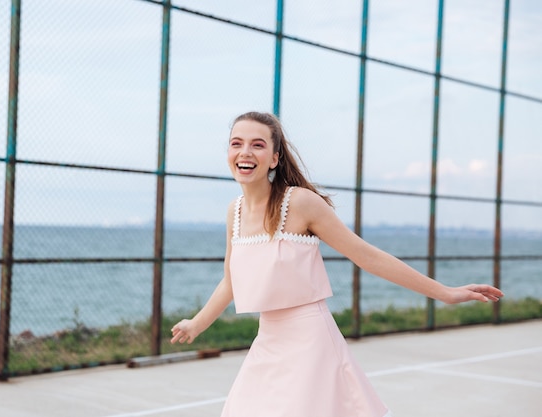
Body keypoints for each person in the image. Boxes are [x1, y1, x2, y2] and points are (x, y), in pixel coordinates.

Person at [170, 111, 504, 417]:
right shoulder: (235, 211)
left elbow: (367, 256)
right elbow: (231, 280)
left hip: (311, 342)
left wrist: (445, 293)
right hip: (267, 341)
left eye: (257, 145)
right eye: (236, 144)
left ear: (274, 158)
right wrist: (196, 324)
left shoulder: (300, 202)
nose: (245, 152)